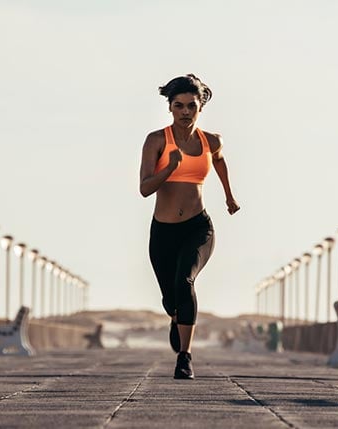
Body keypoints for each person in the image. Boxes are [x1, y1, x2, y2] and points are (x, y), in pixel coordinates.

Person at [139, 74, 240, 380]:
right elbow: (145, 188)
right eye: (179, 105)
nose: (185, 111)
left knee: (185, 282)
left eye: (191, 106)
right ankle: (175, 316)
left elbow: (219, 161)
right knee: (171, 298)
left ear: (200, 107)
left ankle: (185, 357)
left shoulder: (212, 140)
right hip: (163, 231)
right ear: (170, 108)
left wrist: (229, 196)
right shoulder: (157, 141)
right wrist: (169, 168)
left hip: (198, 227)